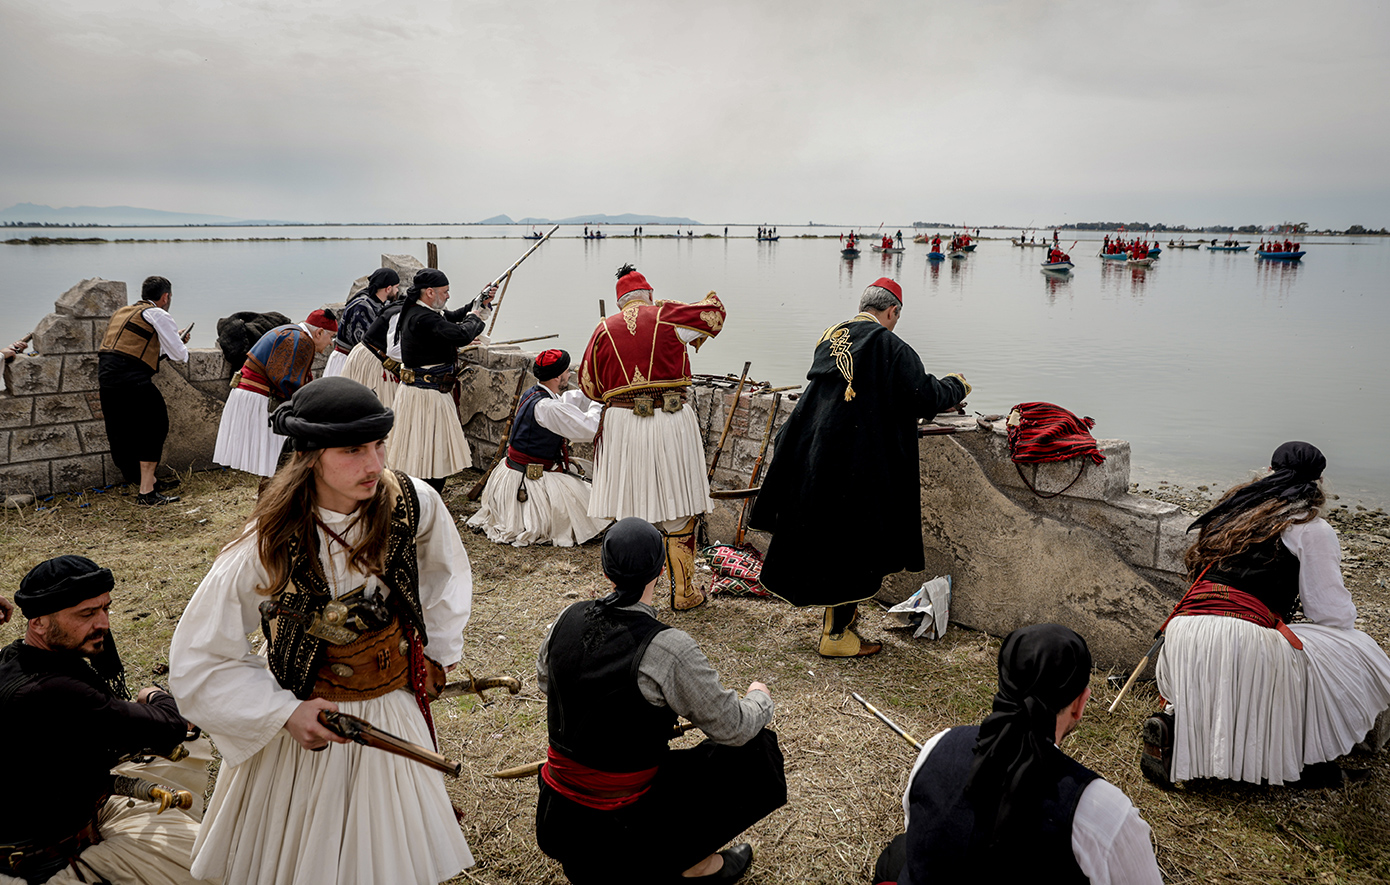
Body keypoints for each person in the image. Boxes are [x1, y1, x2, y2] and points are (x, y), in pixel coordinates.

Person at [169, 376, 475, 885]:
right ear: (310, 455)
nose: (374, 465)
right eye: (353, 450)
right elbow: (203, 657)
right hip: (315, 719)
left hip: (393, 706)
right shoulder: (267, 544)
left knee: (393, 851)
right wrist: (284, 713)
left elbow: (446, 568)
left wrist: (437, 650)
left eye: (379, 445)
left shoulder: (411, 502)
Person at [535, 518, 786, 885]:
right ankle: (690, 863)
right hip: (621, 819)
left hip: (559, 816)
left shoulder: (566, 618)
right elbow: (733, 727)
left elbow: (547, 682)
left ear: (606, 571)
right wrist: (759, 698)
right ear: (661, 567)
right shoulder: (668, 648)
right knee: (756, 749)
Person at [1148, 441, 1390, 787]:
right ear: (1317, 484)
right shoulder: (1311, 528)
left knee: (1258, 654)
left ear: (1269, 473)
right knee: (1355, 648)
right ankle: (1296, 760)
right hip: (1242, 640)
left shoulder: (1232, 513)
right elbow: (1331, 614)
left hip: (1182, 636)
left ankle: (1177, 730)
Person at [748, 278, 969, 657]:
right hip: (856, 461)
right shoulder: (889, 344)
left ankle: (843, 624)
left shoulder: (831, 337)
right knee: (851, 544)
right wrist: (957, 385)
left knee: (833, 542)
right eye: (897, 316)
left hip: (814, 450)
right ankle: (835, 637)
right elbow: (924, 395)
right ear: (892, 311)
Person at [873, 624, 1162, 885]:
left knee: (898, 854)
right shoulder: (1102, 812)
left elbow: (919, 832)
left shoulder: (938, 745)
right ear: (1080, 704)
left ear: (1003, 683)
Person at [0, 555, 212, 885]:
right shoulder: (54, 690)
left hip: (74, 821)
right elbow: (172, 727)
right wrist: (153, 695)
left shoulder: (14, 657)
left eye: (105, 609)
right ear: (38, 622)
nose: (104, 624)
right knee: (215, 867)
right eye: (86, 614)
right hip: (45, 867)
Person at [579, 264, 727, 611]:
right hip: (670, 418)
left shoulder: (603, 329)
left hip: (621, 424)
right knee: (680, 510)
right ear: (648, 294)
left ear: (620, 303)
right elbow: (714, 316)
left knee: (628, 508)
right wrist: (705, 298)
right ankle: (684, 592)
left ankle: (628, 594)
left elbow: (589, 385)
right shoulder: (667, 315)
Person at [468, 349, 610, 547]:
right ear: (557, 376)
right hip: (530, 479)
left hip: (515, 471)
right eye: (567, 372)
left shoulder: (535, 393)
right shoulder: (547, 407)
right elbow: (589, 428)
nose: (569, 375)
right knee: (596, 509)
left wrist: (592, 392)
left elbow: (567, 401)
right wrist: (598, 403)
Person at [387, 269, 495, 494]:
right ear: (429, 292)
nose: (447, 296)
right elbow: (461, 334)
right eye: (445, 292)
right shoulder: (422, 318)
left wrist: (479, 302)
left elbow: (452, 316)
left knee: (424, 454)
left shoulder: (421, 311)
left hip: (423, 392)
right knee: (429, 456)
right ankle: (424, 501)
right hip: (426, 396)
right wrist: (475, 316)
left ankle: (421, 500)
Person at [96, 275, 189, 505]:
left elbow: (134, 349)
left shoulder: (123, 312)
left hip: (107, 381)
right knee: (155, 428)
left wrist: (167, 343)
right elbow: (181, 356)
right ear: (165, 296)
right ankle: (147, 492)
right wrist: (179, 341)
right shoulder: (158, 313)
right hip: (133, 382)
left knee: (123, 434)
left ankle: (149, 480)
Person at [213, 309, 337, 479]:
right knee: (276, 463)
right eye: (331, 337)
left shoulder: (291, 332)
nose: (331, 343)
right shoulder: (300, 340)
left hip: (250, 394)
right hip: (259, 398)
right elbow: (287, 382)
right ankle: (272, 500)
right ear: (319, 332)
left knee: (274, 465)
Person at [325, 268, 399, 377]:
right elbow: (363, 342)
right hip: (346, 361)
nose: (397, 291)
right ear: (388, 289)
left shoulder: (376, 302)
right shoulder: (362, 306)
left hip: (357, 360)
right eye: (396, 287)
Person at [342, 294, 407, 409]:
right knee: (376, 405)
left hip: (365, 355)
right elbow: (394, 350)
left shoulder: (397, 308)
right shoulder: (400, 313)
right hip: (374, 361)